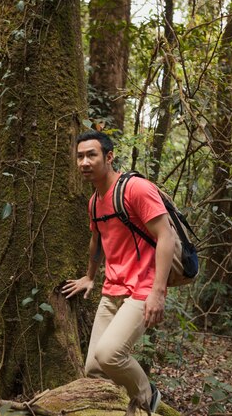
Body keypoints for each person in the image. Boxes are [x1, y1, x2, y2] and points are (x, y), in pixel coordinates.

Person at [62, 130, 175, 415]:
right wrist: (89, 276)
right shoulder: (94, 201)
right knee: (94, 368)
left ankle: (148, 399)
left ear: (109, 157)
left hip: (143, 289)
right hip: (112, 289)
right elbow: (97, 240)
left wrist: (158, 292)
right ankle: (123, 409)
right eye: (80, 157)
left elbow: (166, 235)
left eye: (92, 155)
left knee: (109, 354)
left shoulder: (135, 189)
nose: (84, 162)